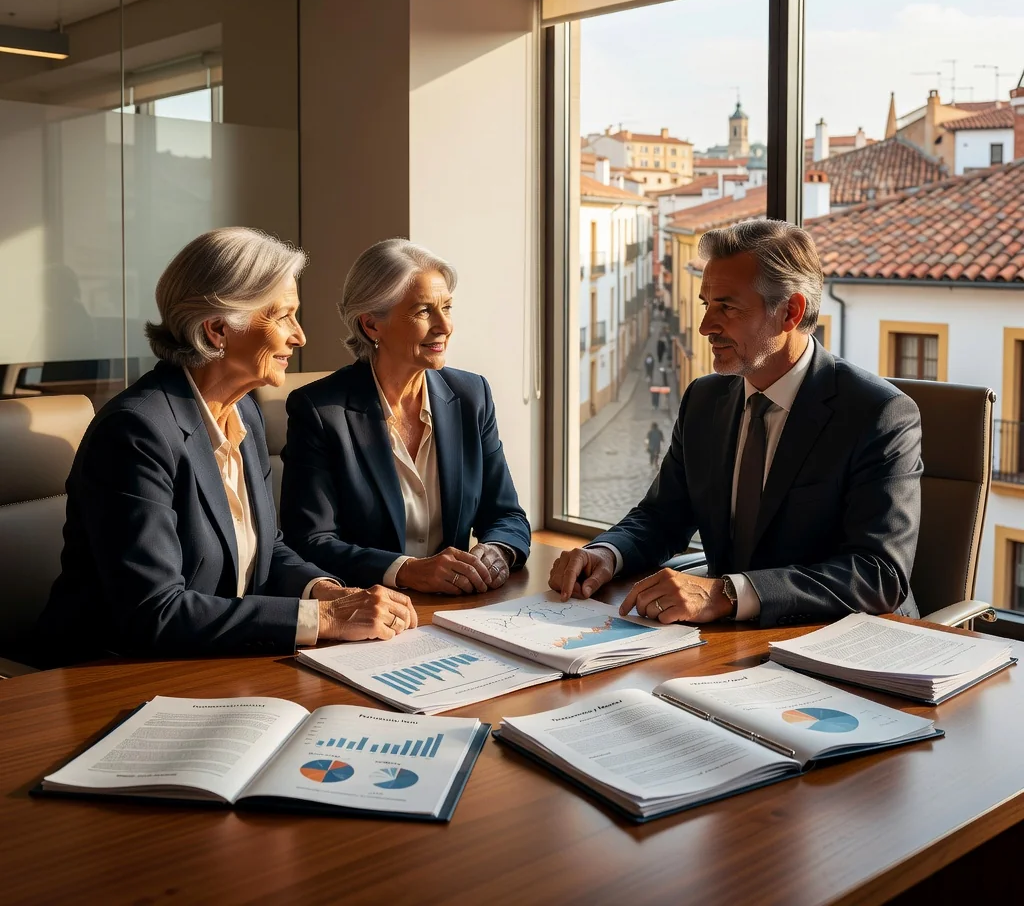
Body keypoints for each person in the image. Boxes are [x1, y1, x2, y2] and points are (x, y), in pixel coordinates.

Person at [35, 228, 417, 667]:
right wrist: (323, 617)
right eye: (283, 317)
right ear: (218, 329)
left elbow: (267, 549)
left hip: (216, 664)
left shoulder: (244, 414)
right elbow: (154, 612)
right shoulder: (135, 432)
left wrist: (328, 592)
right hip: (110, 676)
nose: (300, 337)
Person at [549, 218, 922, 628]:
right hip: (729, 642)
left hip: (841, 647)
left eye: (727, 306)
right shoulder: (704, 399)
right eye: (706, 303)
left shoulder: (879, 414)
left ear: (790, 312)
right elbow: (663, 515)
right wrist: (606, 553)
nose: (706, 325)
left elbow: (878, 574)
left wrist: (728, 592)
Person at [281, 238, 531, 595]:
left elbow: (507, 515)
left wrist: (497, 551)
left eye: (447, 307)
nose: (445, 326)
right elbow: (309, 540)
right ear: (371, 326)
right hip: (366, 610)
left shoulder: (471, 396)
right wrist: (407, 571)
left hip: (458, 607)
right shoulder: (320, 411)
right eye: (424, 311)